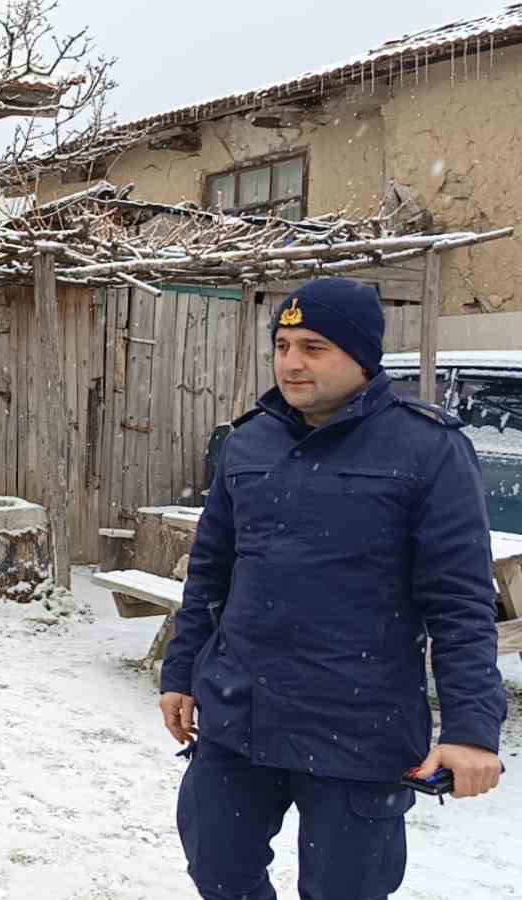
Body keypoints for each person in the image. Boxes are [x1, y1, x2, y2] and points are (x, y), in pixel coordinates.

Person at [159, 277, 507, 900]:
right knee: (217, 870)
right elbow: (210, 572)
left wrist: (471, 728)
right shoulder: (248, 443)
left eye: (314, 347)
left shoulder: (428, 449)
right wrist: (181, 672)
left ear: (362, 356)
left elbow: (460, 603)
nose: (291, 362)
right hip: (240, 718)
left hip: (357, 729)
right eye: (283, 344)